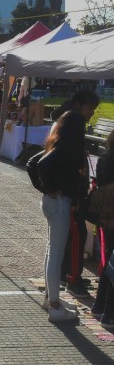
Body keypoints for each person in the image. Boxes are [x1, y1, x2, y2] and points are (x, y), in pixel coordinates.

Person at [37, 90, 99, 321]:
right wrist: (51, 188)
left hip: (55, 199)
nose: (91, 114)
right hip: (59, 200)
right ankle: (54, 305)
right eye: (90, 108)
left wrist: (48, 188)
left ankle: (51, 299)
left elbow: (38, 162)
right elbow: (41, 164)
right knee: (55, 252)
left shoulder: (62, 129)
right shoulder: (70, 132)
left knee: (52, 250)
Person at [55, 90, 101, 298]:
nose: (92, 113)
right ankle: (72, 278)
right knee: (76, 235)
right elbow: (63, 163)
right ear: (81, 105)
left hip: (68, 192)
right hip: (70, 194)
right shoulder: (72, 122)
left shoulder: (67, 119)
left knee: (73, 235)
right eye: (91, 108)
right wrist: (73, 194)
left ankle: (69, 273)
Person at [92, 130, 114, 328]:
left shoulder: (104, 158)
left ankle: (99, 306)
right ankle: (108, 313)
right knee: (111, 265)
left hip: (104, 217)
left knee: (109, 262)